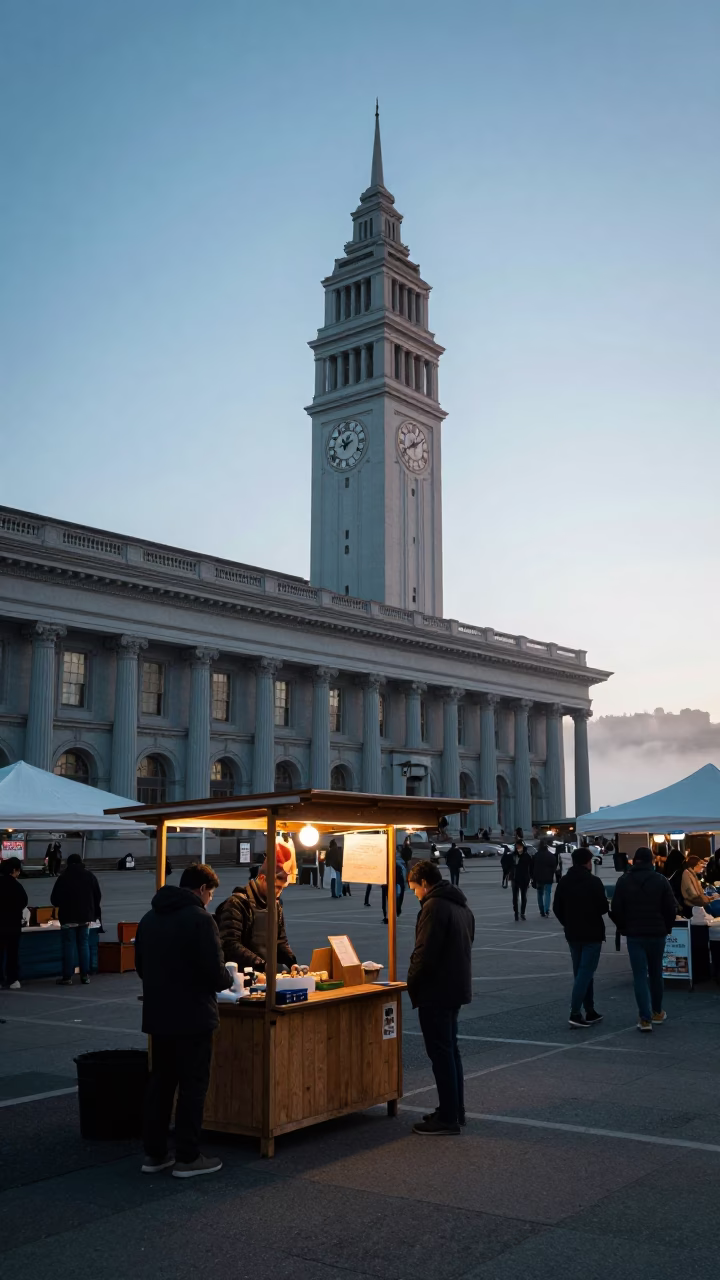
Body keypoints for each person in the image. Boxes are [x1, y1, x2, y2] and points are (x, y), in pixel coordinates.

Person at [135, 862, 230, 1177]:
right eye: (211, 893)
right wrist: (227, 979)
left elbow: (140, 967)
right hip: (193, 1017)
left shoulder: (149, 918)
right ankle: (188, 1156)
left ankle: (155, 1153)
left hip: (159, 1015)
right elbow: (214, 973)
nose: (210, 900)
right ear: (202, 889)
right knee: (192, 1087)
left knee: (160, 1085)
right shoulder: (200, 920)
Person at [406, 859, 475, 1135]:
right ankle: (454, 1109)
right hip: (455, 987)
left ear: (425, 883)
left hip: (437, 990)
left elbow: (425, 952)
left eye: (414, 888)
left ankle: (447, 1117)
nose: (414, 894)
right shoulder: (460, 905)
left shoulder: (433, 907)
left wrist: (412, 982)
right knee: (451, 1051)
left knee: (441, 1053)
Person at [610, 847, 677, 1031]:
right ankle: (657, 1012)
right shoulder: (661, 880)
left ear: (635, 861)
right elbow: (671, 908)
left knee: (639, 975)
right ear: (651, 861)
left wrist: (623, 927)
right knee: (656, 973)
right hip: (657, 933)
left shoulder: (624, 880)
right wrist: (667, 927)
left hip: (634, 934)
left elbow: (616, 908)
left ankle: (644, 1018)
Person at [553, 847, 609, 1027]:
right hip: (592, 933)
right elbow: (603, 908)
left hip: (573, 933)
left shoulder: (564, 881)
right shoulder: (594, 882)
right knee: (586, 973)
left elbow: (557, 907)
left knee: (582, 972)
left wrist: (567, 922)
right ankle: (575, 1012)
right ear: (587, 862)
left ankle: (590, 1010)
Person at [216, 852, 296, 973]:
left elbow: (281, 941)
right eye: (277, 887)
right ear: (263, 878)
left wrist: (292, 963)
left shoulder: (276, 906)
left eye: (282, 888)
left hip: (267, 974)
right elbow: (230, 944)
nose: (279, 892)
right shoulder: (236, 903)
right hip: (241, 977)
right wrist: (263, 965)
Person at [50, 853, 101, 985]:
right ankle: (85, 976)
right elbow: (98, 896)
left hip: (67, 918)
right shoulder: (90, 876)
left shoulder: (63, 877)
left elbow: (54, 899)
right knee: (84, 945)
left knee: (69, 946)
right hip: (85, 918)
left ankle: (67, 977)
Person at [0, 856, 28, 989]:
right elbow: (24, 902)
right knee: (12, 953)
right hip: (13, 925)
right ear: (14, 871)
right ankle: (12, 980)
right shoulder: (17, 886)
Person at [532, 839, 558, 918]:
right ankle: (546, 910)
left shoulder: (536, 856)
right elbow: (555, 867)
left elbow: (532, 867)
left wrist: (533, 877)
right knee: (547, 894)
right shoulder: (551, 856)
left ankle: (541, 910)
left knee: (540, 894)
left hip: (538, 878)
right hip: (548, 878)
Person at [511, 839, 533, 921]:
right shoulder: (513, 855)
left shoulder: (527, 856)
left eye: (519, 845)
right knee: (514, 898)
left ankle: (522, 912)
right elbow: (508, 864)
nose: (518, 847)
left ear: (523, 846)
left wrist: (531, 878)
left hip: (524, 879)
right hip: (515, 878)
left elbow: (531, 868)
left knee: (524, 896)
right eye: (517, 845)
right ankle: (516, 912)